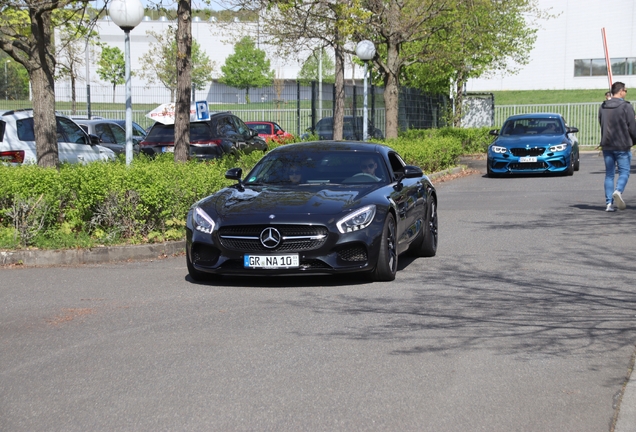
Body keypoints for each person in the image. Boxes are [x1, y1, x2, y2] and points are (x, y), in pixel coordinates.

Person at [598, 81, 636, 212]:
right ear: (621, 91)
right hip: (622, 144)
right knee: (624, 172)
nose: (626, 93)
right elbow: (632, 126)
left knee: (609, 174)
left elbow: (601, 123)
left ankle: (609, 203)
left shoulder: (603, 106)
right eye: (625, 90)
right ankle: (618, 190)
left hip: (607, 144)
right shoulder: (626, 107)